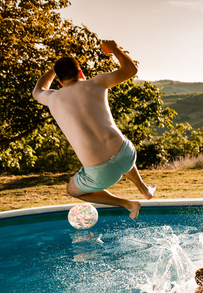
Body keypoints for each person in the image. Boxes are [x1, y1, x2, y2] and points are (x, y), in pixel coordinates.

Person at [32, 40, 156, 219]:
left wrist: (53, 69)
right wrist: (114, 49)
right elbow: (131, 70)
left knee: (73, 190)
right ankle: (144, 189)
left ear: (59, 80)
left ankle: (128, 204)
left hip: (101, 174)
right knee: (118, 147)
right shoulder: (97, 82)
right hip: (127, 154)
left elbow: (38, 89)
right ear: (80, 72)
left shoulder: (52, 98)